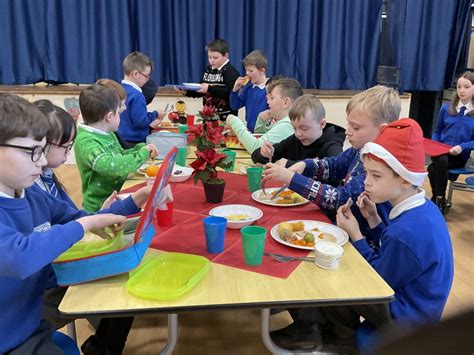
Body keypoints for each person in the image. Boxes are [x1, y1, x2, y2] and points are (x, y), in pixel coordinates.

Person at [271, 119, 454, 353]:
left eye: (376, 176)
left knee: (336, 270)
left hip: (406, 318)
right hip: (413, 305)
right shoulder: (422, 209)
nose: (366, 182)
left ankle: (339, 338)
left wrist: (356, 236)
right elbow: (391, 252)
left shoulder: (407, 231)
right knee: (337, 262)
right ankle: (327, 330)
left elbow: (375, 280)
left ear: (405, 179)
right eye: (367, 173)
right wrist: (374, 221)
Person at [0, 93, 148, 354]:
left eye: (43, 150)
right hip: (11, 338)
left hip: (30, 324)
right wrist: (86, 224)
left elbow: (78, 218)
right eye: (32, 152)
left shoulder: (32, 194)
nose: (43, 161)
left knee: (120, 295)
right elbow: (20, 257)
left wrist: (133, 201)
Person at [33, 99, 139, 355]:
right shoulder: (29, 190)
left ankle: (100, 347)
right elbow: (63, 233)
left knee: (124, 285)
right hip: (46, 287)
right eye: (66, 145)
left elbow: (77, 219)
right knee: (120, 296)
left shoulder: (46, 179)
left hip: (60, 268)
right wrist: (92, 221)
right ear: (40, 145)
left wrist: (127, 204)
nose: (70, 152)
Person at [262, 85, 400, 222]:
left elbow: (339, 198)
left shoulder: (379, 167)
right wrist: (304, 165)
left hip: (362, 238)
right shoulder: (360, 149)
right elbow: (333, 166)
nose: (348, 131)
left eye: (356, 127)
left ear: (382, 130)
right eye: (348, 124)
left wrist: (291, 178)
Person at [75, 84, 158, 212]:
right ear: (109, 117)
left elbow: (120, 155)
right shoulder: (86, 142)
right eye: (119, 114)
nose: (121, 117)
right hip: (99, 209)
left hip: (116, 199)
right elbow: (111, 166)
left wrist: (140, 148)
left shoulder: (108, 134)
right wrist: (142, 154)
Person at [251, 94, 345, 167]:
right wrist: (263, 154)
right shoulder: (295, 140)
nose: (298, 133)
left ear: (322, 124)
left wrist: (290, 165)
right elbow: (256, 157)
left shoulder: (333, 146)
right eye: (294, 128)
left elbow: (333, 174)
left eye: (304, 128)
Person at [427, 71, 474, 213]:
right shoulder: (446, 108)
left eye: (466, 87)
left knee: (431, 169)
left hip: (459, 156)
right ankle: (441, 200)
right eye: (459, 86)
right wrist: (435, 145)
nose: (461, 90)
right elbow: (437, 131)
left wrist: (462, 146)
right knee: (440, 159)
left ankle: (437, 197)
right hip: (440, 151)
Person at [225, 77, 303, 154]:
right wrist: (261, 121)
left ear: (286, 102)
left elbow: (256, 148)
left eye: (272, 98)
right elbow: (263, 137)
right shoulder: (284, 121)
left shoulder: (287, 124)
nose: (268, 102)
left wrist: (234, 121)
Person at [184, 39, 239, 121]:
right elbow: (202, 90)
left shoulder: (231, 72)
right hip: (208, 117)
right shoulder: (208, 70)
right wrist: (186, 92)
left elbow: (230, 94)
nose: (211, 60)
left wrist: (209, 89)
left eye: (215, 58)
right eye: (209, 57)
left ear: (225, 56)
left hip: (225, 118)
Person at [118, 51, 163, 147]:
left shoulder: (118, 89)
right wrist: (155, 114)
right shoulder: (137, 95)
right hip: (133, 143)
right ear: (135, 74)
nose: (148, 80)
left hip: (119, 139)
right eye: (146, 76)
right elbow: (141, 122)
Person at [229, 49, 269, 132]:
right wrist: (235, 90)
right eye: (246, 70)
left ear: (262, 70)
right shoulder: (248, 88)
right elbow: (234, 106)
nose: (247, 73)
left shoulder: (271, 88)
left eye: (251, 70)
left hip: (265, 132)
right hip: (250, 131)